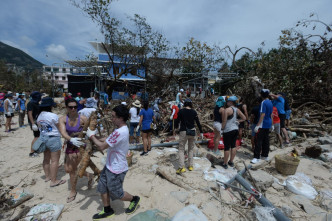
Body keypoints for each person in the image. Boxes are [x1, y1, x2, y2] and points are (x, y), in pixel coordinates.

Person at [86, 105, 140, 220]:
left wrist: (91, 136)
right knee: (102, 187)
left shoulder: (120, 132)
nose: (111, 119)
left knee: (116, 193)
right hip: (110, 165)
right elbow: (107, 139)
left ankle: (134, 199)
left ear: (121, 118)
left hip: (117, 168)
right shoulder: (120, 129)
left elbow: (101, 146)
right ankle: (107, 210)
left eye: (113, 117)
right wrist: (94, 136)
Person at [59, 98, 93, 203]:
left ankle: (73, 191)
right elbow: (63, 132)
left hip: (80, 147)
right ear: (66, 107)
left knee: (74, 170)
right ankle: (89, 175)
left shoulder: (82, 118)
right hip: (70, 145)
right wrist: (70, 139)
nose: (73, 109)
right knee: (68, 169)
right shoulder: (63, 119)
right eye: (71, 107)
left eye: (75, 107)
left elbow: (90, 130)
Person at [35, 97, 66, 187]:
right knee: (54, 161)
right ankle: (54, 180)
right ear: (51, 106)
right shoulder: (53, 116)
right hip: (53, 138)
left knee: (46, 158)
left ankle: (47, 177)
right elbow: (60, 127)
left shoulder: (39, 115)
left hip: (43, 138)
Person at [176, 98, 203, 174]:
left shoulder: (181, 111)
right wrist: (201, 132)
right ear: (191, 104)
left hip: (184, 131)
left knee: (181, 149)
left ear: (184, 104)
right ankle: (190, 166)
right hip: (192, 131)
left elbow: (177, 121)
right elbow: (198, 122)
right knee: (190, 149)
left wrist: (175, 129)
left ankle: (181, 167)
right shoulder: (194, 112)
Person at [221, 96, 246, 169]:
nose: (227, 102)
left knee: (226, 147)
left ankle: (225, 163)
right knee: (233, 146)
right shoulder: (237, 109)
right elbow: (244, 118)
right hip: (235, 129)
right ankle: (231, 161)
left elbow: (224, 121)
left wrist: (222, 129)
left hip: (228, 130)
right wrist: (238, 121)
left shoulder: (227, 110)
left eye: (228, 101)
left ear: (231, 102)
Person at [251, 89, 273, 164]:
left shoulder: (263, 102)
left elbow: (262, 114)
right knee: (266, 140)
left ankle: (256, 157)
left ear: (261, 95)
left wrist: (257, 125)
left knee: (258, 141)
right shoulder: (270, 102)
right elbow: (271, 114)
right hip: (268, 123)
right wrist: (272, 124)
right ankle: (265, 155)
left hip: (262, 124)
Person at [27, 91, 42, 157]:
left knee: (39, 136)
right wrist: (33, 124)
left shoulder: (37, 103)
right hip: (34, 122)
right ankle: (32, 152)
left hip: (38, 122)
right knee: (37, 137)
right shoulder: (31, 103)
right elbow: (30, 113)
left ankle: (36, 149)